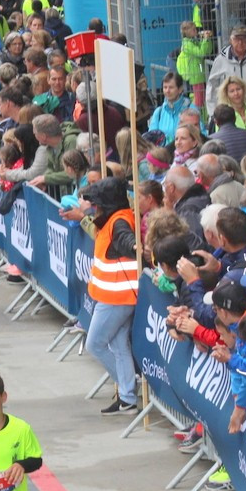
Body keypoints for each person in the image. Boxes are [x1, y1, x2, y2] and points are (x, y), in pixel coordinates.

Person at [83, 177, 140, 415]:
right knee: (118, 346)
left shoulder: (119, 222)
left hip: (116, 297)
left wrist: (134, 247)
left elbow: (126, 240)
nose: (93, 207)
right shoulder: (116, 218)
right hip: (116, 295)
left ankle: (130, 386)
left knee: (95, 344)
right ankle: (127, 398)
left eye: (96, 203)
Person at [206, 26, 246, 116]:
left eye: (243, 39)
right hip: (228, 114)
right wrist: (212, 113)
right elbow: (211, 86)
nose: (240, 42)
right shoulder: (220, 60)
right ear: (230, 40)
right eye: (236, 39)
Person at [148, 72, 196, 144]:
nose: (167, 91)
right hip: (164, 154)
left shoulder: (192, 110)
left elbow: (200, 135)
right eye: (165, 87)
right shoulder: (158, 113)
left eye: (171, 87)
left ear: (180, 89)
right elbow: (151, 140)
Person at [177, 21, 214, 109]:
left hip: (199, 74)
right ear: (186, 31)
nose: (196, 30)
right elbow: (200, 52)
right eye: (193, 29)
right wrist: (205, 40)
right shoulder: (187, 44)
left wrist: (207, 40)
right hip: (194, 75)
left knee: (201, 99)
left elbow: (207, 50)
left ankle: (199, 116)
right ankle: (194, 114)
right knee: (198, 100)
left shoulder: (193, 41)